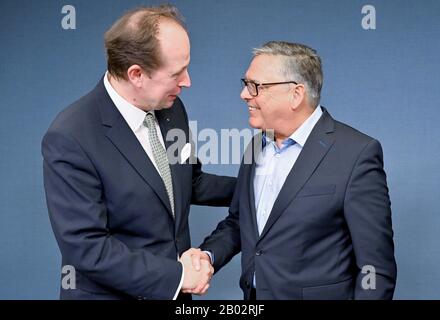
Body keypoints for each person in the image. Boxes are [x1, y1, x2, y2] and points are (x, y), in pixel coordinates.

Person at [42, 5, 236, 300]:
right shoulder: (71, 136)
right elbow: (87, 247)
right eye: (177, 73)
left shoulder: (171, 109)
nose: (187, 81)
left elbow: (188, 182)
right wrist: (179, 275)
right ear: (136, 74)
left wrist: (253, 186)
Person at [190, 41, 397, 299]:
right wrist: (207, 256)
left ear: (296, 94)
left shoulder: (356, 154)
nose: (244, 94)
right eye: (245, 83)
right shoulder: (256, 146)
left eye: (255, 86)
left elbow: (376, 269)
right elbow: (240, 221)